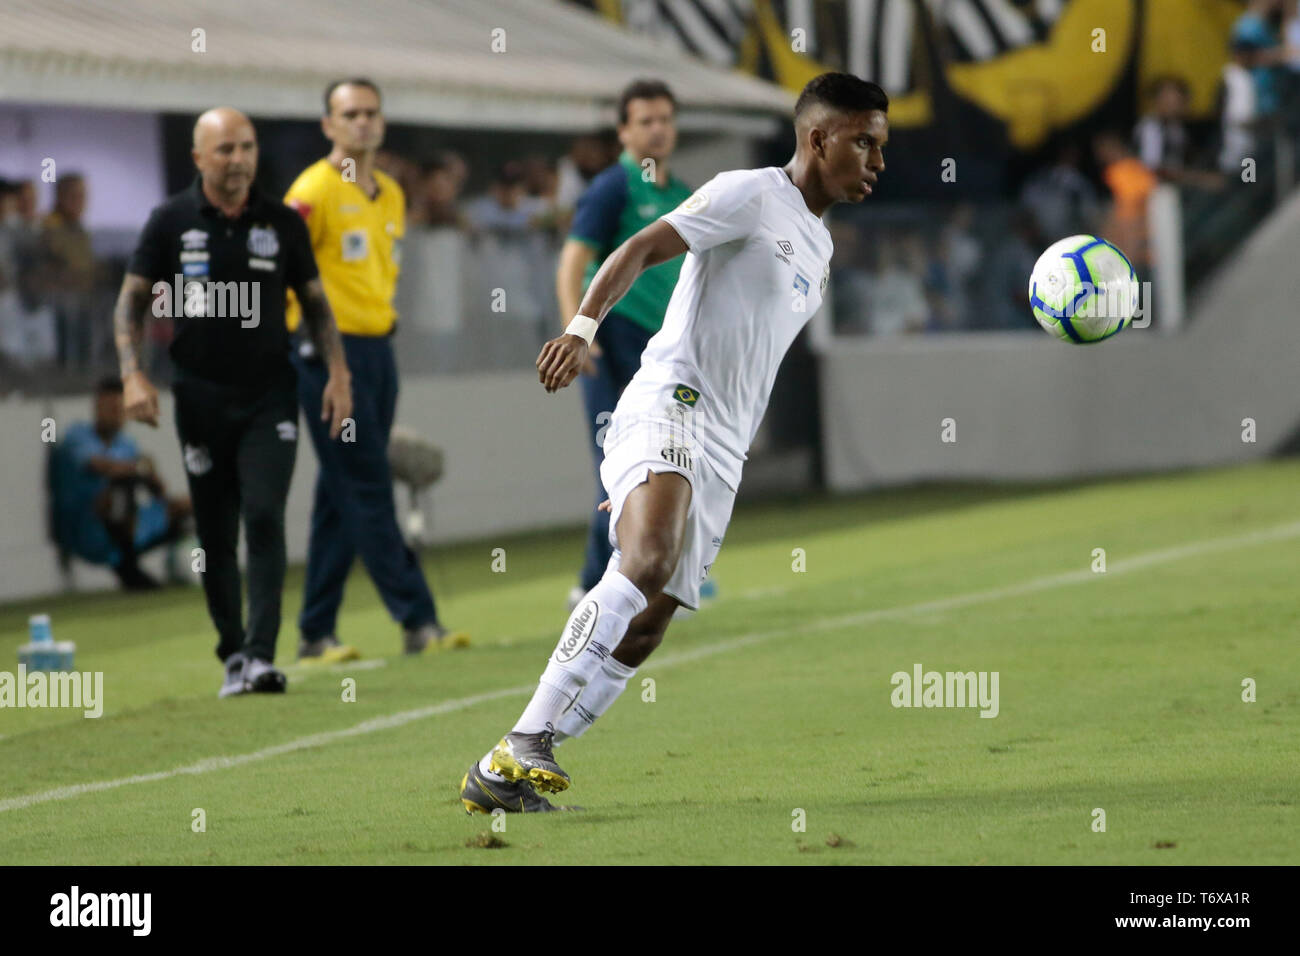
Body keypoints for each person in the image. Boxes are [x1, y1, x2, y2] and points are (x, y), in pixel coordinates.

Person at [458, 72, 889, 813]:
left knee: (650, 624)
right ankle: (527, 739)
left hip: (723, 446)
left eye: (882, 148)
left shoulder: (816, 243)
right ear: (819, 139)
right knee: (645, 560)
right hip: (672, 402)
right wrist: (580, 329)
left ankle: (509, 765)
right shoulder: (748, 192)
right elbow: (638, 248)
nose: (877, 163)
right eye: (865, 144)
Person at [113, 106, 352, 698]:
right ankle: (231, 651)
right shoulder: (169, 221)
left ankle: (260, 655)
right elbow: (130, 302)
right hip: (198, 398)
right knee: (215, 533)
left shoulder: (282, 223)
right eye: (225, 150)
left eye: (247, 147)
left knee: (265, 515)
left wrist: (338, 373)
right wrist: (132, 376)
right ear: (199, 158)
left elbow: (318, 305)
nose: (240, 159)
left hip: (271, 394)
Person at [284, 78, 469, 663]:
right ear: (328, 125)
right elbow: (280, 270)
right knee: (365, 483)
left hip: (377, 352)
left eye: (371, 113)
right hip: (326, 353)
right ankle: (418, 619)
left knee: (339, 492)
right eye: (350, 114)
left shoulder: (388, 193)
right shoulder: (313, 190)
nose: (362, 122)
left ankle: (315, 631)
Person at [554, 79, 693, 613]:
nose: (658, 129)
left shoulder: (681, 193)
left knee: (665, 464)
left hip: (662, 354)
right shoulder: (614, 188)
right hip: (614, 342)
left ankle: (639, 572)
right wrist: (579, 335)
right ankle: (597, 583)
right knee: (618, 468)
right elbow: (572, 261)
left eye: (665, 119)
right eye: (646, 121)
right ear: (624, 131)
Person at [50, 376, 192, 589]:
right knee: (120, 487)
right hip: (84, 529)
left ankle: (181, 567)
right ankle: (128, 568)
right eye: (111, 408)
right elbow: (100, 466)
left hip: (124, 524)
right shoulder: (77, 436)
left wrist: (153, 480)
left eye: (121, 408)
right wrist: (138, 468)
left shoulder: (126, 445)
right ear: (97, 406)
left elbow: (157, 488)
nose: (116, 414)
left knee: (187, 506)